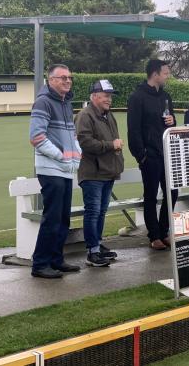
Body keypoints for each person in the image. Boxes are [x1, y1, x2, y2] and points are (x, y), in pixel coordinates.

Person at [29, 64, 82, 278]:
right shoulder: (43, 102)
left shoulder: (65, 103)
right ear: (50, 80)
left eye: (69, 77)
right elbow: (37, 138)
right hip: (51, 169)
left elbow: (72, 135)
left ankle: (56, 260)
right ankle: (40, 264)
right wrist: (62, 156)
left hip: (65, 169)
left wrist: (75, 153)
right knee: (52, 218)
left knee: (62, 218)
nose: (67, 81)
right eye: (62, 78)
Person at [127, 59, 178, 250]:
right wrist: (142, 156)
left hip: (167, 153)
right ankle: (154, 235)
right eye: (166, 73)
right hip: (150, 156)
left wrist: (172, 121)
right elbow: (133, 130)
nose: (168, 76)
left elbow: (172, 125)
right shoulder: (137, 97)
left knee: (172, 192)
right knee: (151, 196)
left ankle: (164, 231)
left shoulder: (166, 96)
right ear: (155, 74)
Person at [75, 79, 124, 267]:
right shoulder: (85, 115)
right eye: (105, 96)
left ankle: (97, 244)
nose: (109, 99)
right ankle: (92, 251)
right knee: (93, 212)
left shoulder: (108, 115)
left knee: (101, 211)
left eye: (110, 96)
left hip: (107, 171)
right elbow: (85, 142)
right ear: (94, 96)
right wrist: (111, 145)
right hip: (92, 172)